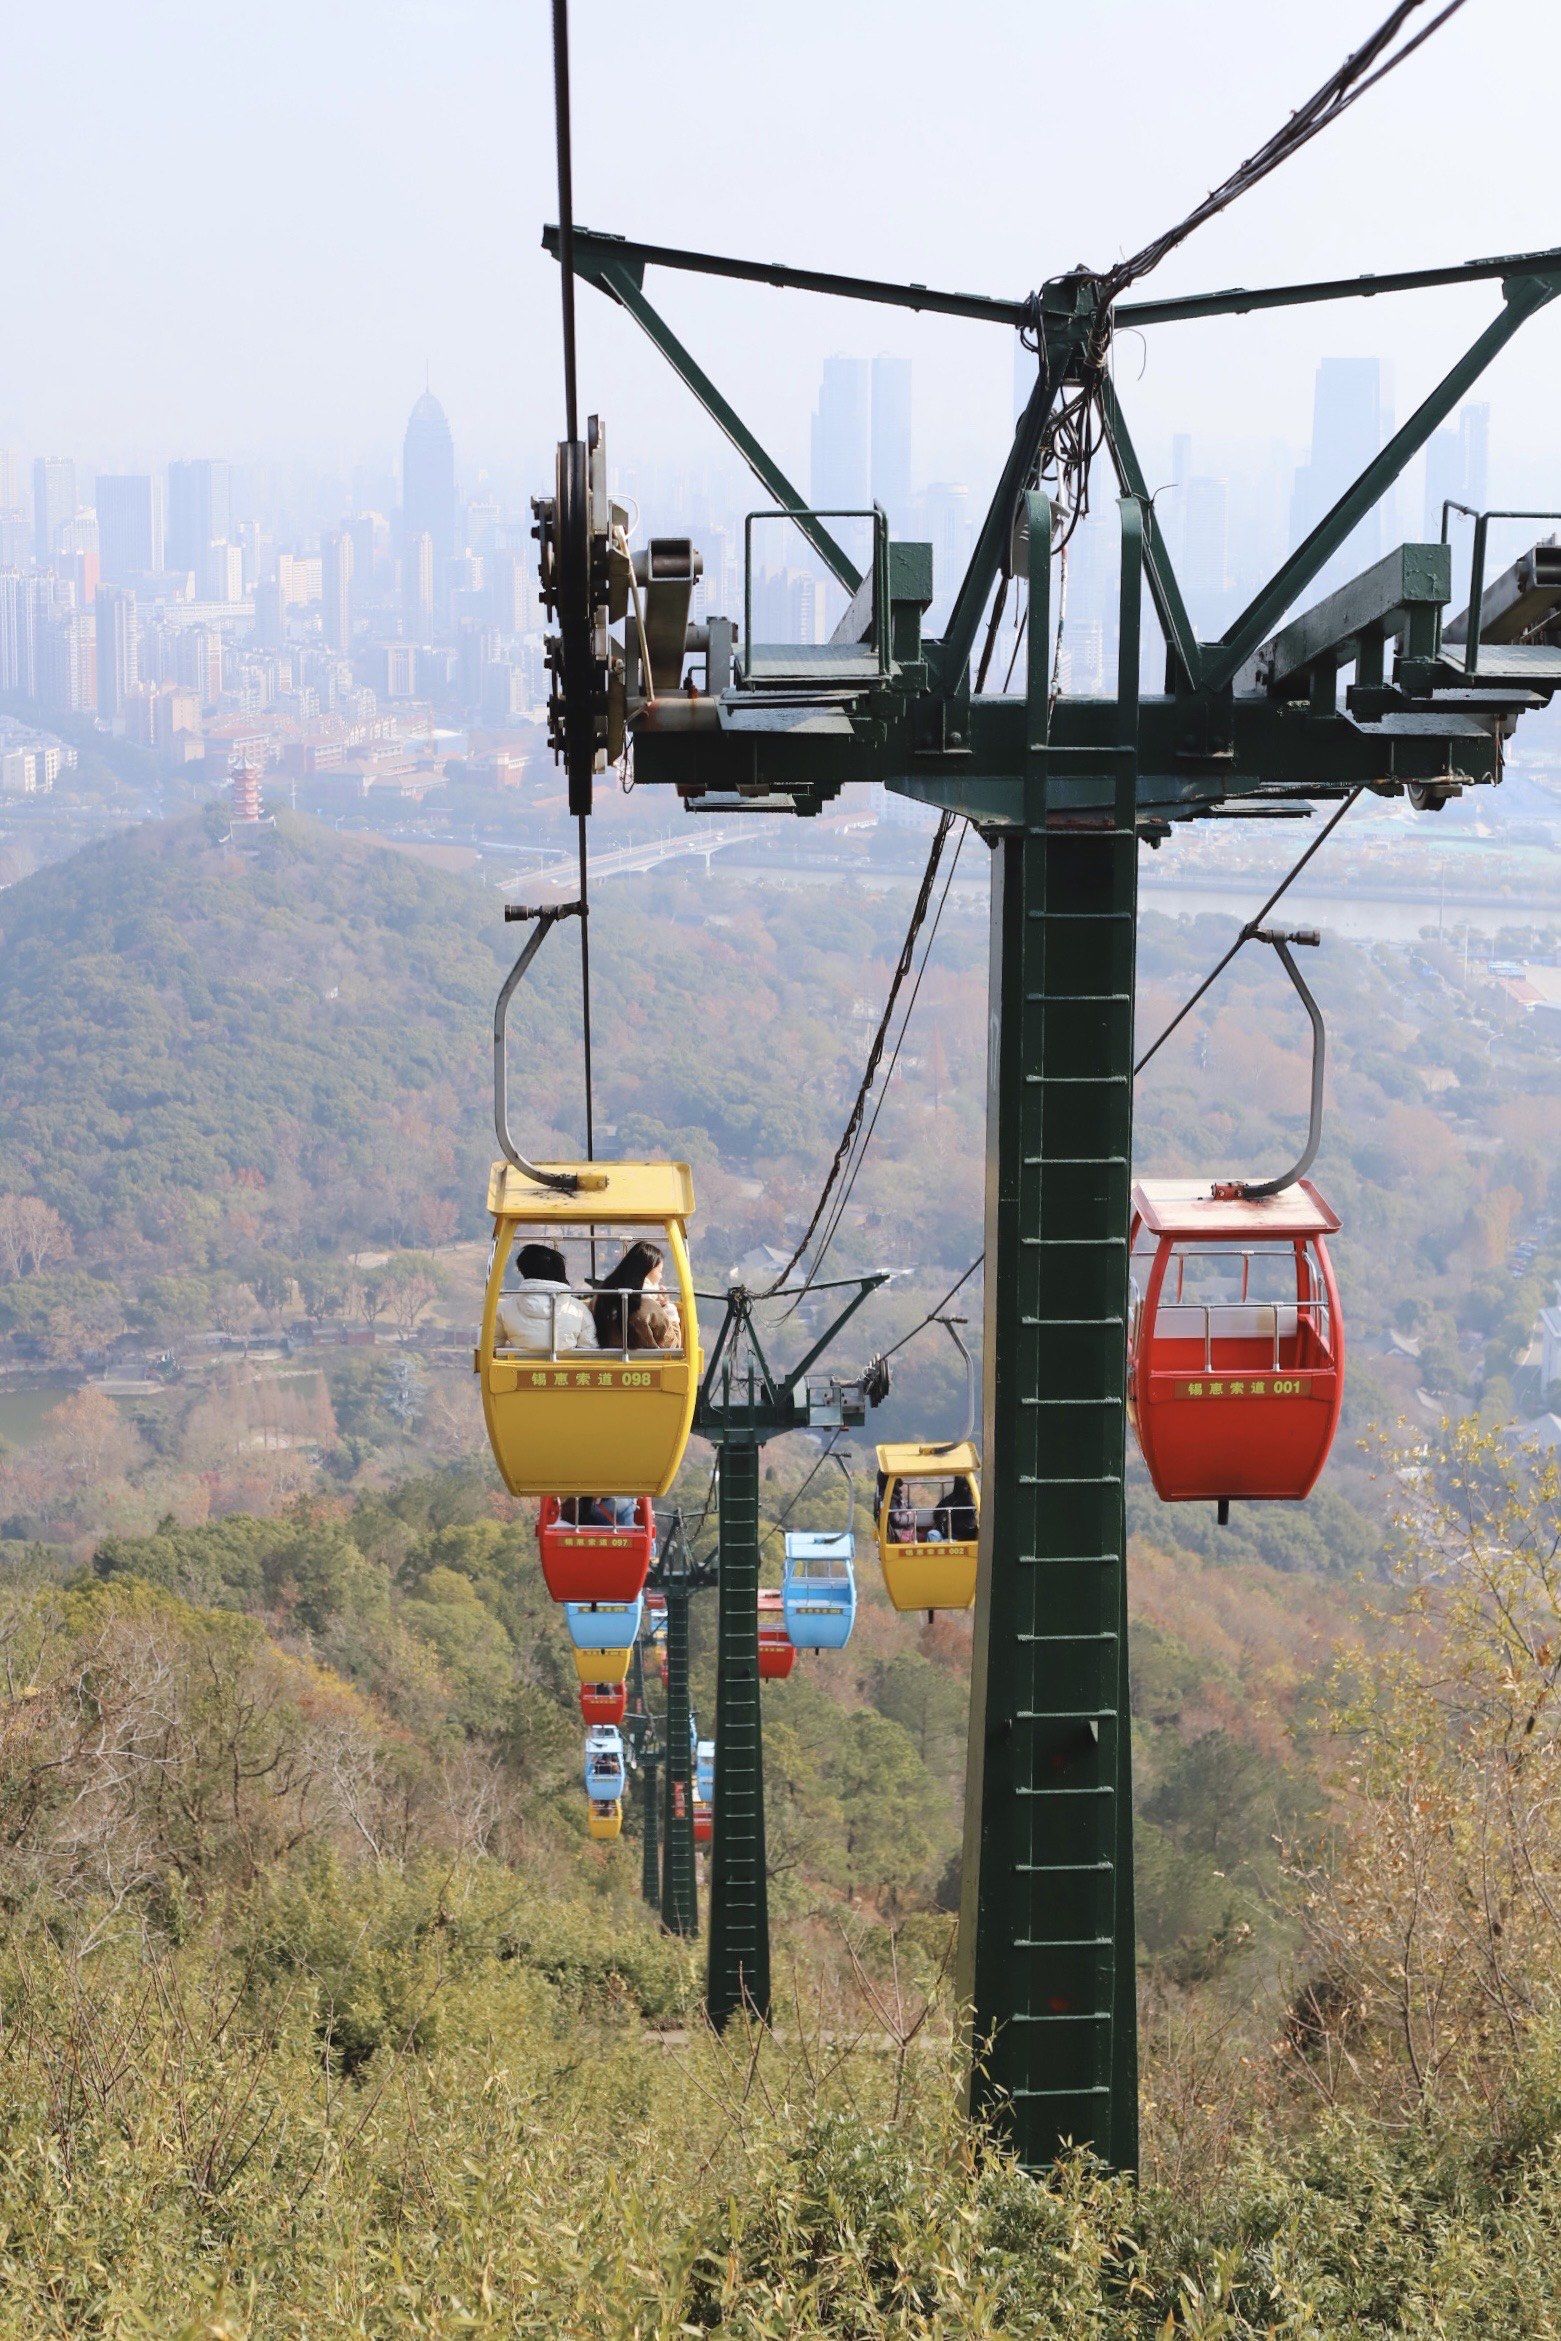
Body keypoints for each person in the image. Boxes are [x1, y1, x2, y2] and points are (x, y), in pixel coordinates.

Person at [497, 1242, 596, 1355]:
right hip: (566, 1371)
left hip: (515, 1371)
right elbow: (589, 1348)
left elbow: (492, 1346)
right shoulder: (579, 1309)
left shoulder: (504, 1309)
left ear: (523, 1271)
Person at [591, 1240, 681, 1352]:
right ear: (649, 1271)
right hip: (646, 1367)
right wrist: (668, 1309)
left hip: (605, 1363)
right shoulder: (652, 1310)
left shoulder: (600, 1299)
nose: (660, 1277)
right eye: (660, 1271)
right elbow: (673, 1346)